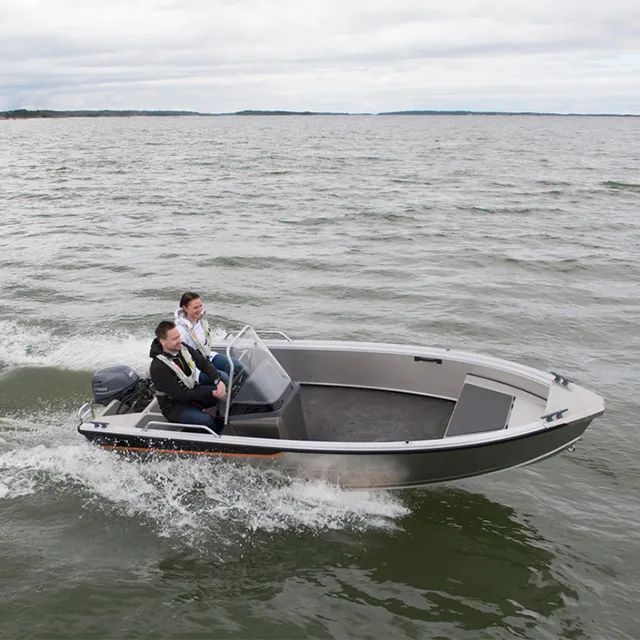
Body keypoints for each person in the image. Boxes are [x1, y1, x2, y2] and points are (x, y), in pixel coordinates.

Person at [149, 320, 227, 432]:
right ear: (163, 342)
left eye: (179, 336)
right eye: (174, 339)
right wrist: (212, 393)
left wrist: (217, 380)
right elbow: (181, 395)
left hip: (192, 392)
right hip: (174, 407)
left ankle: (220, 429)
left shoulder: (182, 347)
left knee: (225, 396)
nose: (179, 341)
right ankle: (201, 436)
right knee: (206, 420)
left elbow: (203, 363)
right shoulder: (158, 367)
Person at [173, 291, 245, 386]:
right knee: (223, 378)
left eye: (200, 306)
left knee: (238, 366)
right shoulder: (180, 331)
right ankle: (229, 398)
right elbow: (180, 358)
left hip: (207, 357)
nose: (199, 310)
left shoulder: (201, 320)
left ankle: (247, 393)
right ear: (185, 308)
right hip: (194, 367)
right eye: (195, 308)